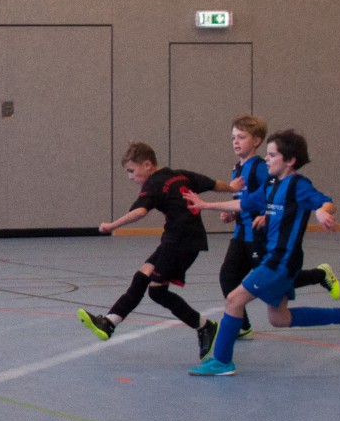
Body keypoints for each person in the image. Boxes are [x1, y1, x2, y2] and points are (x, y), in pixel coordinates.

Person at [183, 129, 340, 376]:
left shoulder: (299, 185)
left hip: (281, 261)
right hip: (275, 258)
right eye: (267, 154)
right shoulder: (272, 185)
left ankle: (222, 361)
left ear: (290, 160)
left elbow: (326, 202)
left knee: (234, 299)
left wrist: (321, 212)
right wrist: (206, 205)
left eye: (273, 155)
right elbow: (243, 203)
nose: (267, 159)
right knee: (279, 318)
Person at [77, 141, 239, 360]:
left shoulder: (153, 183)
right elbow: (212, 184)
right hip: (179, 240)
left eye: (132, 171)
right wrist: (233, 188)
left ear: (146, 165)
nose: (130, 177)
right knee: (142, 274)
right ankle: (109, 322)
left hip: (181, 242)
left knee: (156, 291)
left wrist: (113, 225)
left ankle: (205, 326)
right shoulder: (179, 175)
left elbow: (140, 212)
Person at [218, 114, 340, 341]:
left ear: (256, 140)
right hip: (242, 234)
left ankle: (319, 275)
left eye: (241, 137)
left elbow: (275, 197)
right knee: (237, 283)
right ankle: (242, 325)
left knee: (259, 286)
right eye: (233, 137)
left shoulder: (265, 169)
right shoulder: (238, 169)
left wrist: (267, 214)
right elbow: (247, 200)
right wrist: (222, 210)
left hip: (261, 237)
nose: (235, 141)